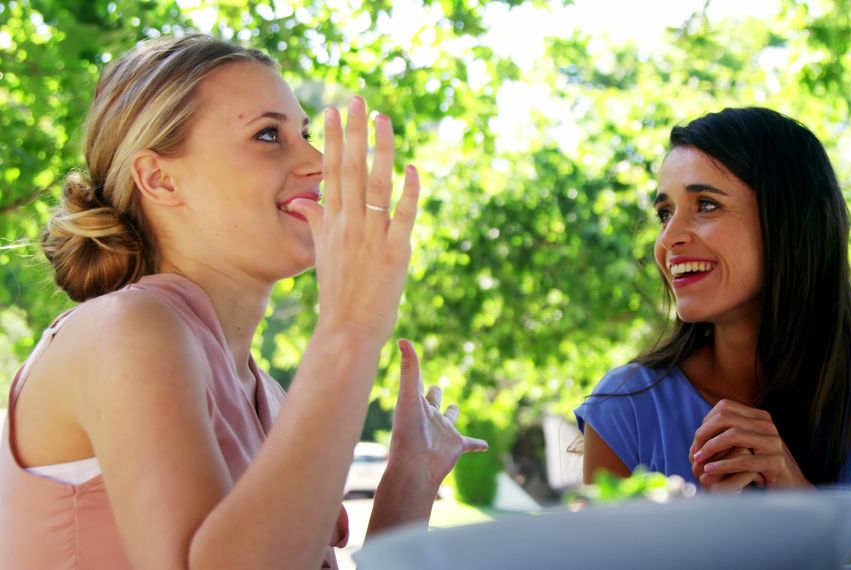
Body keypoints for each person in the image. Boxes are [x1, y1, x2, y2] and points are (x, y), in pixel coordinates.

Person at [0, 34, 486, 569]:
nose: (320, 164)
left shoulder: (269, 398)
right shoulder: (126, 327)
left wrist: (409, 481)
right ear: (159, 179)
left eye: (303, 133)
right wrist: (350, 327)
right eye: (269, 135)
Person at [576, 108, 851, 491]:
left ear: (789, 221)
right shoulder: (622, 408)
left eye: (705, 205)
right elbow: (599, 553)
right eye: (664, 213)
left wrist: (793, 491)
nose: (668, 238)